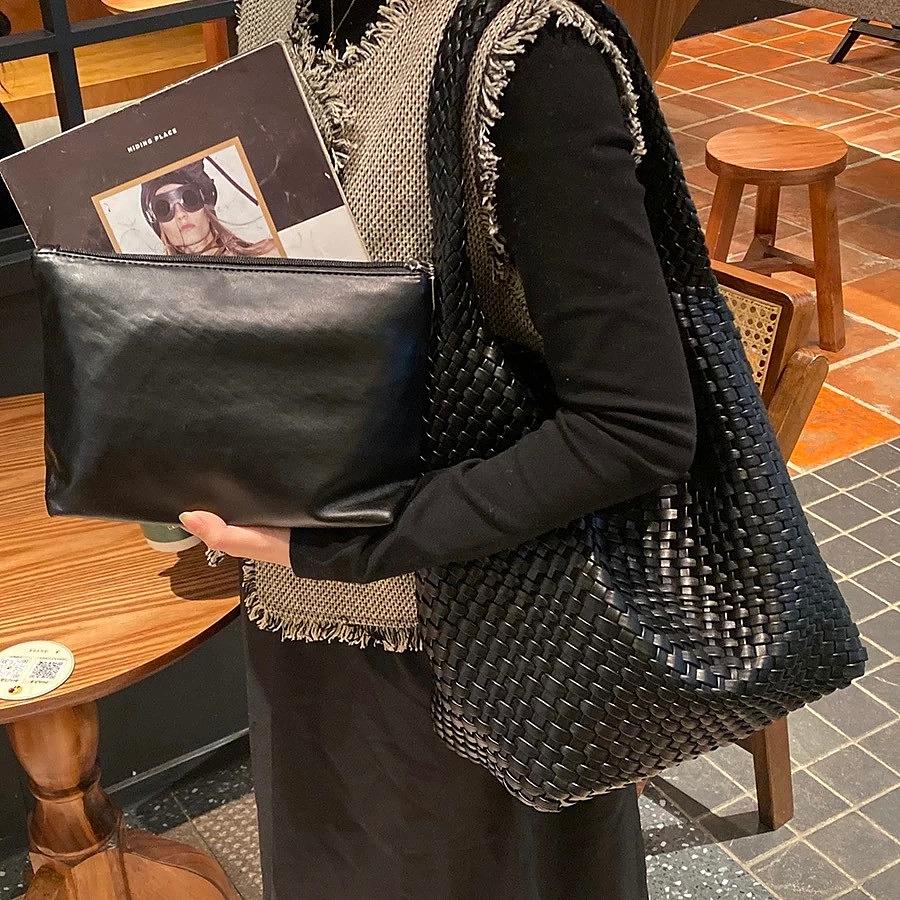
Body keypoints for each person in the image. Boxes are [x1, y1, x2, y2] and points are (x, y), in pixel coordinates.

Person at [179, 0, 696, 897]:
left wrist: (352, 541)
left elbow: (637, 425)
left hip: (484, 632)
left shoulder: (529, 51)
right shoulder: (272, 12)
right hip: (298, 613)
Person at [140, 160, 279, 256]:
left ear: (206, 211)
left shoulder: (270, 253)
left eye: (189, 199)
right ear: (159, 226)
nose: (181, 214)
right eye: (163, 208)